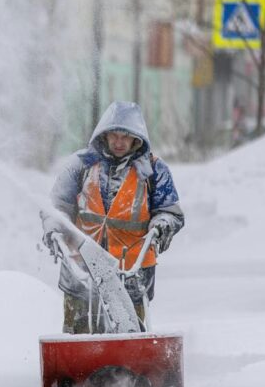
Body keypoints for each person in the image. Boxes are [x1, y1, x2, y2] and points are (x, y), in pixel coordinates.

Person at [43, 101, 184, 333]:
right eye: (114, 136)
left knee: (130, 332)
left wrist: (162, 225)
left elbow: (170, 211)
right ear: (104, 136)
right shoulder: (81, 164)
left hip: (131, 272)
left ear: (136, 139)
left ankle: (131, 366)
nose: (119, 142)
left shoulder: (153, 170)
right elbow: (57, 205)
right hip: (81, 268)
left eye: (125, 137)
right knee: (78, 331)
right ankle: (77, 367)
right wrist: (54, 228)